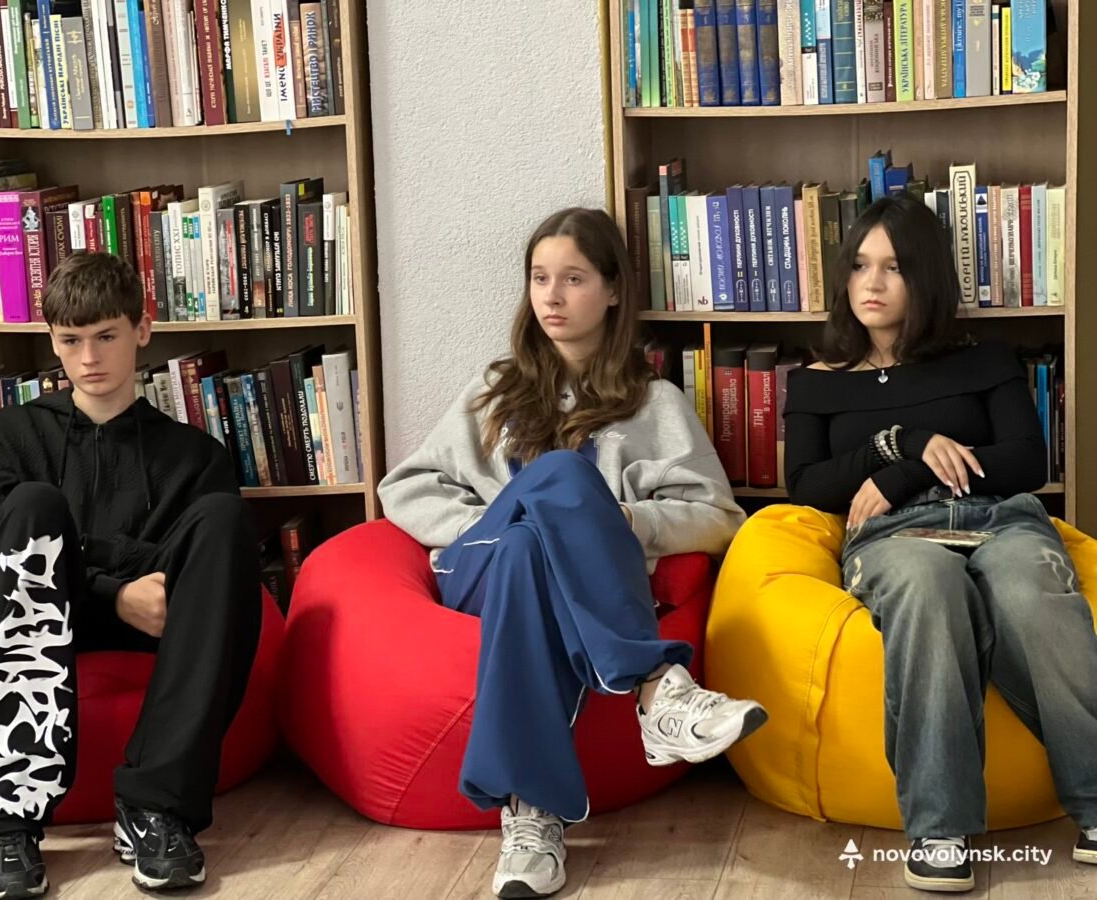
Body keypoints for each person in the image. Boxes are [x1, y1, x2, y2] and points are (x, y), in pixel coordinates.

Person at [378, 207, 768, 899]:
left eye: (574, 279)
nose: (551, 297)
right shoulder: (494, 390)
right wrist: (494, 517)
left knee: (533, 545)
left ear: (613, 290)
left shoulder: (655, 404)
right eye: (539, 278)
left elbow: (719, 518)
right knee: (549, 488)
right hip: (477, 565)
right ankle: (657, 686)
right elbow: (403, 487)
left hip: (535, 579)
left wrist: (622, 522)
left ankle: (531, 815)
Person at [783, 194, 1097, 892]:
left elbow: (1027, 460)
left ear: (924, 277)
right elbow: (805, 485)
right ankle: (940, 826)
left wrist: (907, 470)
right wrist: (905, 447)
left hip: (997, 518)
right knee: (932, 588)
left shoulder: (983, 360)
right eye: (859, 265)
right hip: (892, 538)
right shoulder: (816, 384)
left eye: (894, 267)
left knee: (1033, 590)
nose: (871, 283)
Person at [0, 252, 261, 899]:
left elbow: (192, 582)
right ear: (52, 341)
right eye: (70, 340)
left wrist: (94, 565)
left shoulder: (195, 458)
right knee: (33, 508)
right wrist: (114, 592)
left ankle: (156, 809)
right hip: (12, 620)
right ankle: (5, 821)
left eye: (106, 335)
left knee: (224, 519)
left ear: (143, 329)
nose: (88, 358)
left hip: (150, 625)